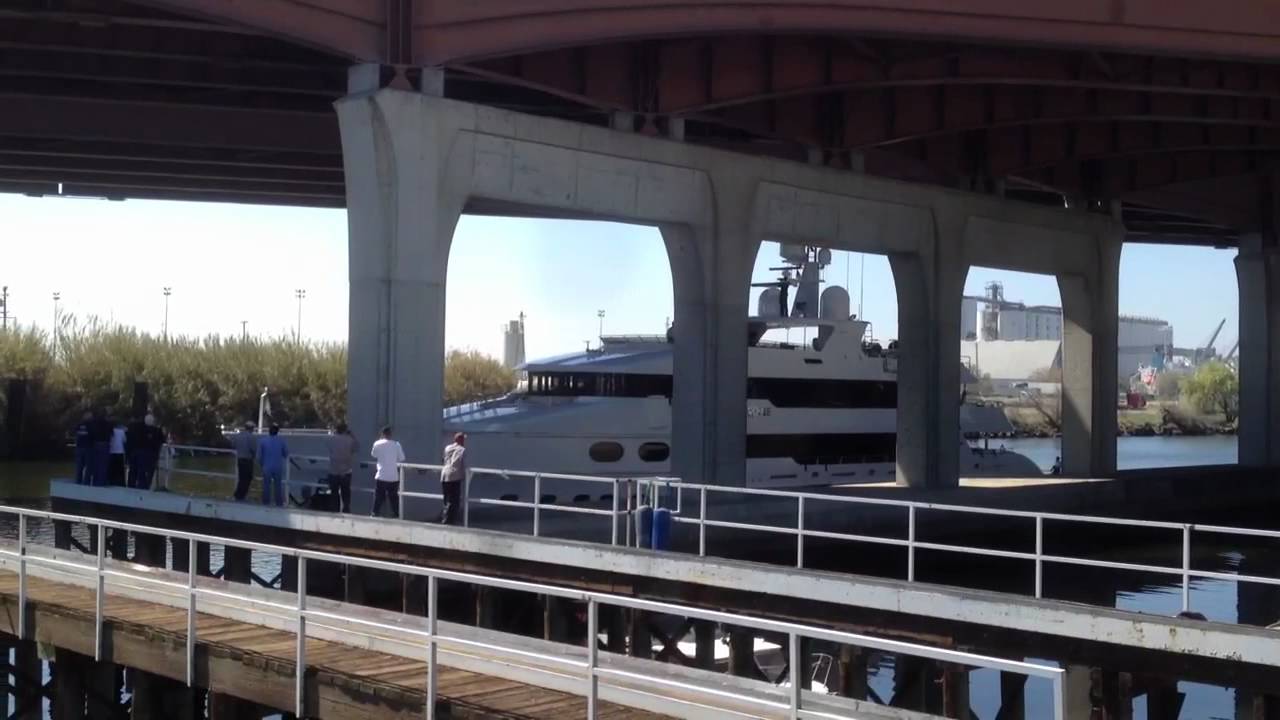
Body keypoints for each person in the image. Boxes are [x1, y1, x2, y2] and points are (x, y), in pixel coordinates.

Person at [370, 426, 405, 518]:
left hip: (381, 475)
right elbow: (402, 458)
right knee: (393, 498)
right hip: (393, 476)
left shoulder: (377, 443)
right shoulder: (396, 444)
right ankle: (396, 514)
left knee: (378, 496)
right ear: (390, 434)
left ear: (382, 434)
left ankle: (374, 513)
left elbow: (373, 454)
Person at [326, 422, 358, 513]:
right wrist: (352, 435)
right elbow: (357, 447)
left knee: (334, 494)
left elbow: (328, 446)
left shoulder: (331, 439)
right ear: (345, 430)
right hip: (346, 472)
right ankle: (346, 511)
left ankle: (335, 512)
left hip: (333, 471)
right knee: (346, 494)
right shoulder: (350, 440)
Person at [258, 424, 289, 507]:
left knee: (266, 485)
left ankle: (265, 503)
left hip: (266, 466)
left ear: (269, 431)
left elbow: (259, 456)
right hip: (277, 466)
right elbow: (286, 454)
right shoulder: (281, 441)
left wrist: (262, 464)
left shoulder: (263, 441)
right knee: (278, 486)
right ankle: (279, 503)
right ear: (277, 432)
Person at [440, 432, 467, 525]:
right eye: (463, 439)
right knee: (454, 500)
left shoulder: (447, 448)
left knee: (446, 499)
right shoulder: (462, 449)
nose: (464, 441)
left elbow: (443, 459)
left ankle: (445, 519)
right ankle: (449, 521)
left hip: (444, 475)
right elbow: (460, 462)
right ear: (460, 440)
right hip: (454, 477)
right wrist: (464, 475)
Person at [231, 422, 257, 501]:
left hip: (240, 459)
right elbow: (254, 449)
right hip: (248, 460)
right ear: (251, 428)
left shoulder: (238, 436)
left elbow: (233, 445)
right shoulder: (251, 437)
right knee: (247, 478)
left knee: (242, 478)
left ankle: (239, 495)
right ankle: (240, 495)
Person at [88, 409, 113, 487]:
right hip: (105, 444)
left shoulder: (93, 422)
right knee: (103, 464)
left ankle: (95, 481)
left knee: (96, 463)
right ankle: (101, 482)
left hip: (96, 443)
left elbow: (91, 432)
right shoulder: (108, 423)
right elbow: (111, 433)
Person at [73, 412, 93, 485]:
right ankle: (86, 482)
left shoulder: (79, 424)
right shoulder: (91, 425)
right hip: (88, 448)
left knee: (79, 465)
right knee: (88, 466)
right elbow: (93, 435)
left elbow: (74, 432)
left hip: (79, 447)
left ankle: (78, 480)